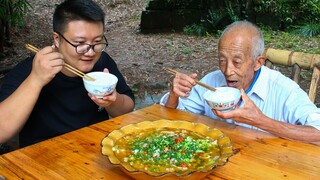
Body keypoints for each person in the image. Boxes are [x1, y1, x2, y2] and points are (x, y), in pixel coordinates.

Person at [160, 20, 320, 145]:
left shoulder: (284, 89)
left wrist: (261, 121)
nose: (227, 71)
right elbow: (171, 118)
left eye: (237, 62)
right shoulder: (211, 82)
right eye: (222, 60)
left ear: (258, 62)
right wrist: (174, 94)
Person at [0, 0, 134, 147]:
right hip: (43, 157)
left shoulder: (102, 63)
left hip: (94, 148)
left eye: (97, 42)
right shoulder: (31, 69)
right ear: (57, 39)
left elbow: (127, 109)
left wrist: (112, 100)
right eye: (79, 43)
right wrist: (36, 80)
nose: (90, 52)